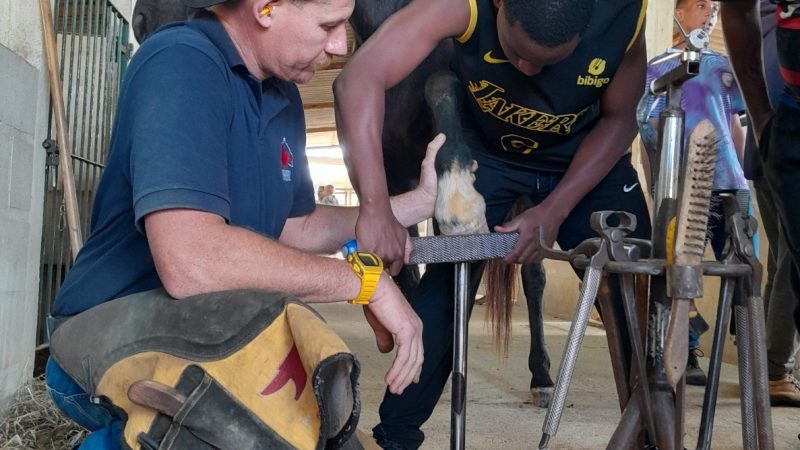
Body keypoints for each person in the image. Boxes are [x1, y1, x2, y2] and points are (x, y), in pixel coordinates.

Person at [43, 0, 447, 446]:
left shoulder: (282, 95)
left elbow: (299, 228)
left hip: (202, 322)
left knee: (320, 412)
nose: (340, 45)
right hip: (98, 332)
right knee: (245, 420)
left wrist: (412, 206)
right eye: (328, 25)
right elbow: (190, 258)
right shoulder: (180, 62)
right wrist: (362, 282)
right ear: (266, 8)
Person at [334, 0, 651, 448]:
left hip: (584, 159)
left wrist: (555, 209)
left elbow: (620, 120)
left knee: (638, 293)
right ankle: (395, 436)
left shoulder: (623, 16)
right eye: (516, 51)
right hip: (493, 155)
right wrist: (374, 207)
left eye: (547, 61)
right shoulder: (458, 6)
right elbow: (358, 78)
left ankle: (653, 430)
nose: (526, 70)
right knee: (449, 285)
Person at [638, 0, 748, 386]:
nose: (711, 14)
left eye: (715, 8)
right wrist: (657, 190)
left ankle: (748, 347)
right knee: (682, 269)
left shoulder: (722, 67)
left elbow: (734, 124)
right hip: (682, 186)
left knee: (743, 268)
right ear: (678, 14)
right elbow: (649, 130)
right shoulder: (658, 69)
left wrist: (742, 176)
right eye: (701, 6)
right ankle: (686, 351)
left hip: (729, 183)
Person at [720, 0, 800, 407]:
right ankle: (771, 368)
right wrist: (769, 128)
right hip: (778, 149)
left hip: (770, 147)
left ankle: (766, 366)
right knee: (789, 261)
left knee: (785, 261)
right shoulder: (773, 18)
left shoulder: (770, 18)